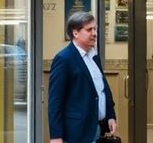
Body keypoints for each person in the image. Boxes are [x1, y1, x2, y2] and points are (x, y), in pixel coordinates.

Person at [48, 12, 117, 143]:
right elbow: (55, 102)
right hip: (76, 133)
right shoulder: (64, 59)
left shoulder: (94, 56)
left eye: (95, 29)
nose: (95, 33)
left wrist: (110, 116)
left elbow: (102, 89)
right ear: (75, 33)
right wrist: (56, 136)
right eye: (89, 29)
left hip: (97, 128)